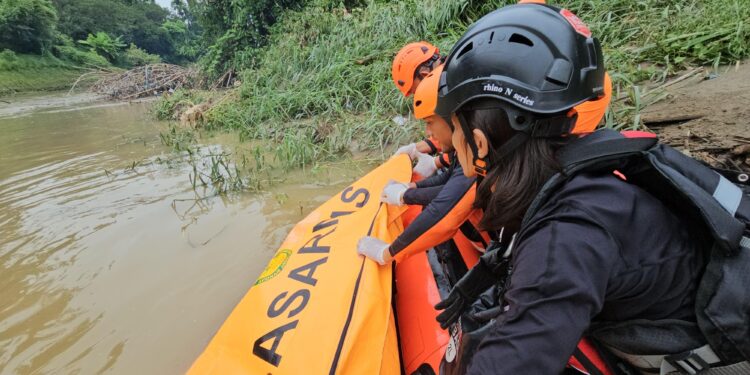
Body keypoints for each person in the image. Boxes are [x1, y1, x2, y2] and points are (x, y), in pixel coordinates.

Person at [432, 3, 713, 374]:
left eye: (454, 126)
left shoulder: (565, 233)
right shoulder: (573, 174)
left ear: (480, 143)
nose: (451, 140)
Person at [357, 64, 489, 281]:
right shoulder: (477, 138)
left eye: (429, 122)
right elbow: (453, 175)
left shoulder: (478, 154)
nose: (428, 132)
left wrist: (387, 252)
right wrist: (413, 186)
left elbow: (445, 212)